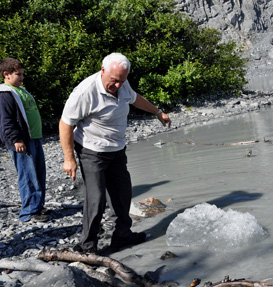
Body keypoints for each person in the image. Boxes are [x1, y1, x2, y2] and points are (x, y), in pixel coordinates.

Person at [59, 52, 171, 254]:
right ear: (102, 71)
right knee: (97, 198)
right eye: (114, 81)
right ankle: (87, 246)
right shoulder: (85, 92)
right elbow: (66, 123)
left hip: (117, 150)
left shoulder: (121, 83)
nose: (118, 85)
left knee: (122, 193)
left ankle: (122, 236)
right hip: (91, 151)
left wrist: (157, 112)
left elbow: (135, 98)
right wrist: (69, 158)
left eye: (122, 81)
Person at [0, 57, 49, 223]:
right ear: (6, 74)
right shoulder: (5, 93)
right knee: (28, 176)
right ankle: (29, 211)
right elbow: (6, 120)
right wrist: (16, 140)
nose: (21, 77)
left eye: (22, 74)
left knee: (39, 173)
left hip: (34, 139)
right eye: (18, 74)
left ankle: (38, 205)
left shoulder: (21, 90)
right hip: (22, 142)